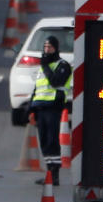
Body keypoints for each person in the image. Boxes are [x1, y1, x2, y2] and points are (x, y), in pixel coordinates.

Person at [28, 35, 72, 185]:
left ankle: (55, 174)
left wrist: (45, 65)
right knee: (45, 142)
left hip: (53, 108)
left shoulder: (63, 65)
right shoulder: (42, 66)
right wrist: (30, 109)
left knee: (53, 140)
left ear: (56, 48)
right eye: (45, 47)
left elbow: (55, 82)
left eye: (50, 47)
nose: (47, 50)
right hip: (40, 108)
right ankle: (49, 172)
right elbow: (37, 89)